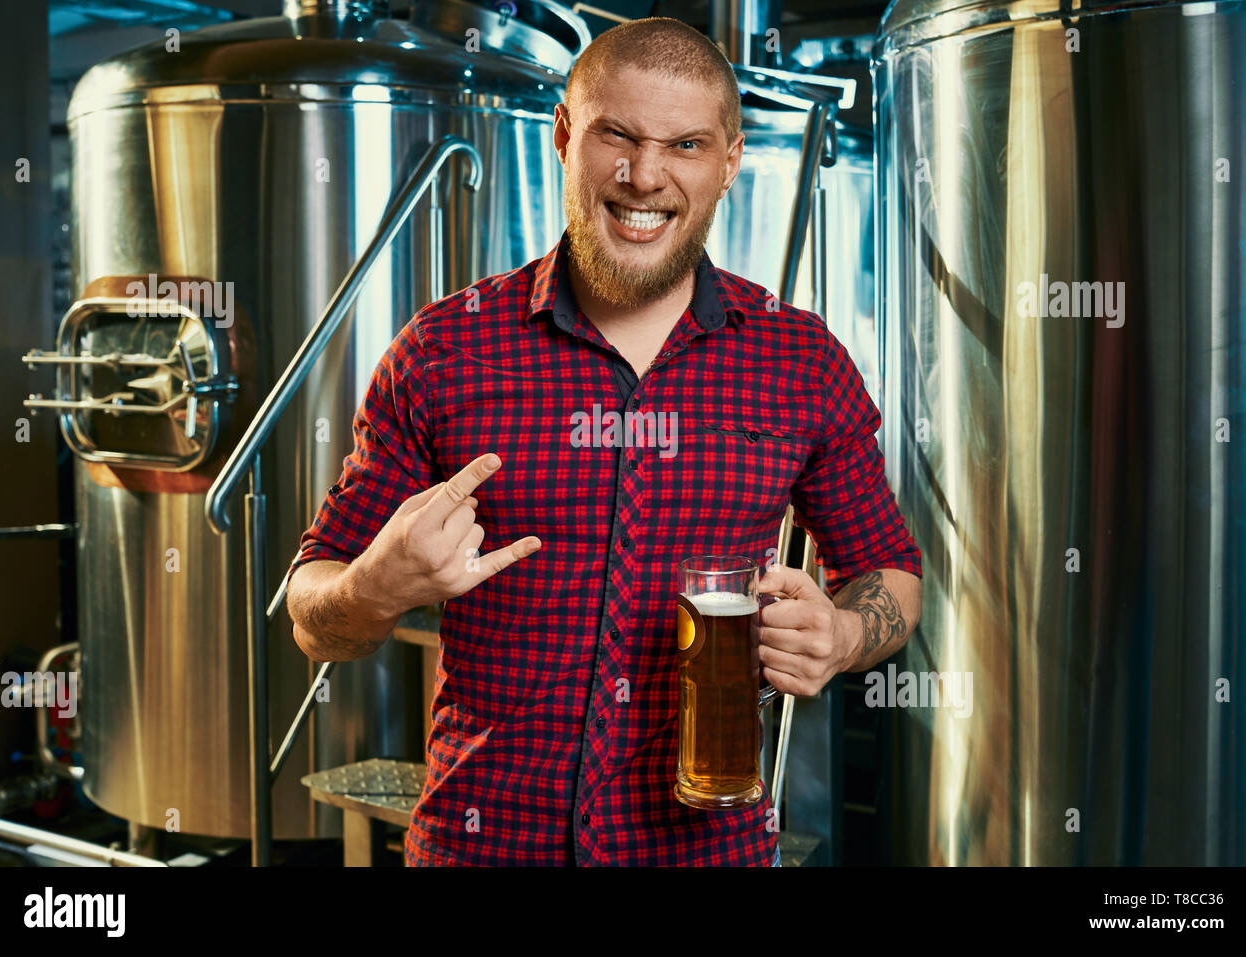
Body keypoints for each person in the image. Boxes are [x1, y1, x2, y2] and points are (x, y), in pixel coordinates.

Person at [285, 16, 922, 866]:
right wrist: (374, 584)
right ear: (563, 135)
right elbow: (311, 613)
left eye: (686, 145)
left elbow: (891, 576)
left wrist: (843, 637)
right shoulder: (443, 351)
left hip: (707, 849)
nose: (645, 175)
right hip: (483, 845)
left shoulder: (800, 360)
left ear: (729, 163)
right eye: (615, 135)